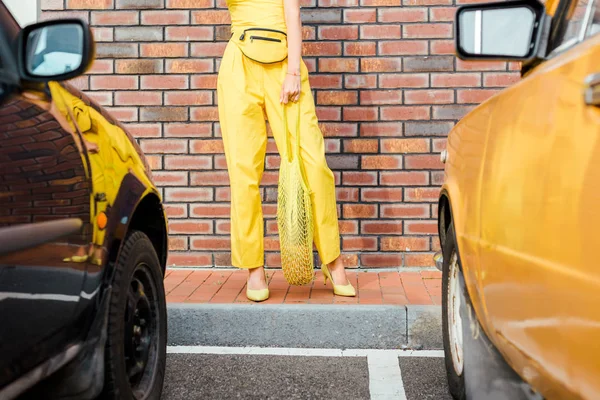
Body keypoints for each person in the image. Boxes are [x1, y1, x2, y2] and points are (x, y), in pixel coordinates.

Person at [217, 0, 355, 302]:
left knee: (314, 164)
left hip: (285, 66)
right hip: (240, 66)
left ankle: (332, 260)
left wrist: (294, 71)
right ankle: (254, 267)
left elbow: (293, 12)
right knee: (243, 171)